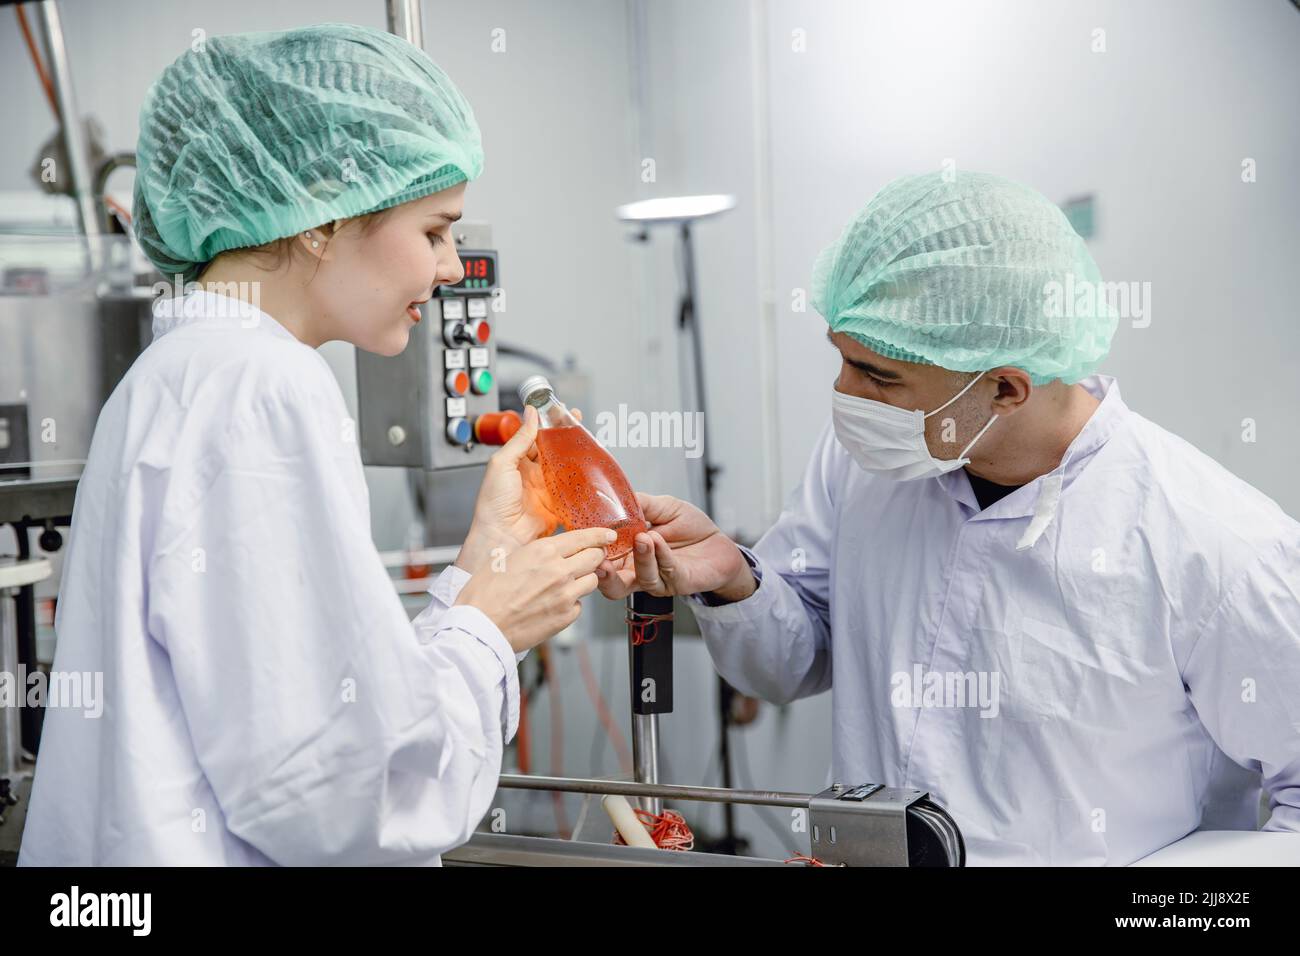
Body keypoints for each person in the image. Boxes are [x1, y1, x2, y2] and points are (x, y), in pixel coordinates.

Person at [19, 23, 610, 866]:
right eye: (436, 231)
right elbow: (335, 794)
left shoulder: (173, 377)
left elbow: (304, 698)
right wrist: (487, 633)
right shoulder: (266, 388)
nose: (451, 270)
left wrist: (476, 570)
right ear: (323, 218)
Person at [595, 170, 1300, 865]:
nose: (846, 393)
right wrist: (734, 580)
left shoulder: (1218, 547)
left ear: (1005, 387)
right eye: (843, 359)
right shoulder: (874, 463)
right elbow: (793, 662)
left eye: (879, 376)